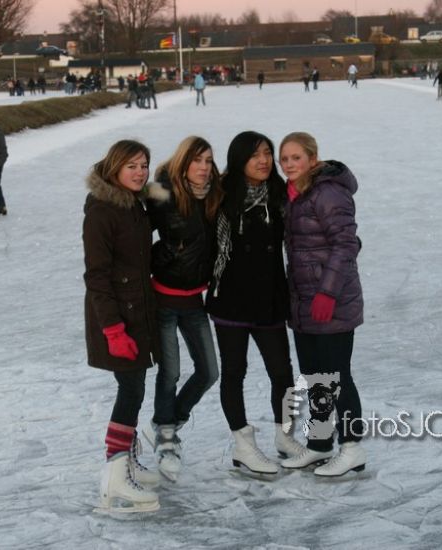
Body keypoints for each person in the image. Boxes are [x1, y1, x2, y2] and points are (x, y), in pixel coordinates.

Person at [205, 131, 304, 476]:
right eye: (254, 155)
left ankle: (285, 436)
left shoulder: (280, 193)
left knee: (282, 371)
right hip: (231, 299)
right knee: (234, 371)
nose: (263, 161)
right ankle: (243, 445)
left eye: (266, 153)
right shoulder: (219, 194)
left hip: (269, 298)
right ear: (239, 159)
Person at [277, 132, 367, 477]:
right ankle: (319, 444)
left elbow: (346, 244)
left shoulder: (327, 192)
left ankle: (352, 448)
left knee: (336, 376)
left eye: (296, 158)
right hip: (304, 302)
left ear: (313, 159)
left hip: (332, 301)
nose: (289, 165)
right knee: (316, 377)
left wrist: (327, 293)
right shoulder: (294, 195)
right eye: (284, 159)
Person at [83, 139, 161, 513]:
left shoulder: (134, 204)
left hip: (137, 311)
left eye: (144, 165)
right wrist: (113, 331)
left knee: (134, 387)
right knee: (130, 390)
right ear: (115, 168)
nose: (140, 172)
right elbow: (96, 277)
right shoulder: (102, 212)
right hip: (117, 316)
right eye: (132, 166)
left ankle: (125, 459)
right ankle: (115, 474)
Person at [142, 136, 222, 482]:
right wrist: (156, 256)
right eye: (196, 160)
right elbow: (135, 227)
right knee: (171, 371)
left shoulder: (214, 196)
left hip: (194, 299)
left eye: (208, 160)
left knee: (209, 372)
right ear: (183, 162)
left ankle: (168, 422)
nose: (203, 167)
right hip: (163, 296)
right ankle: (166, 437)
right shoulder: (162, 192)